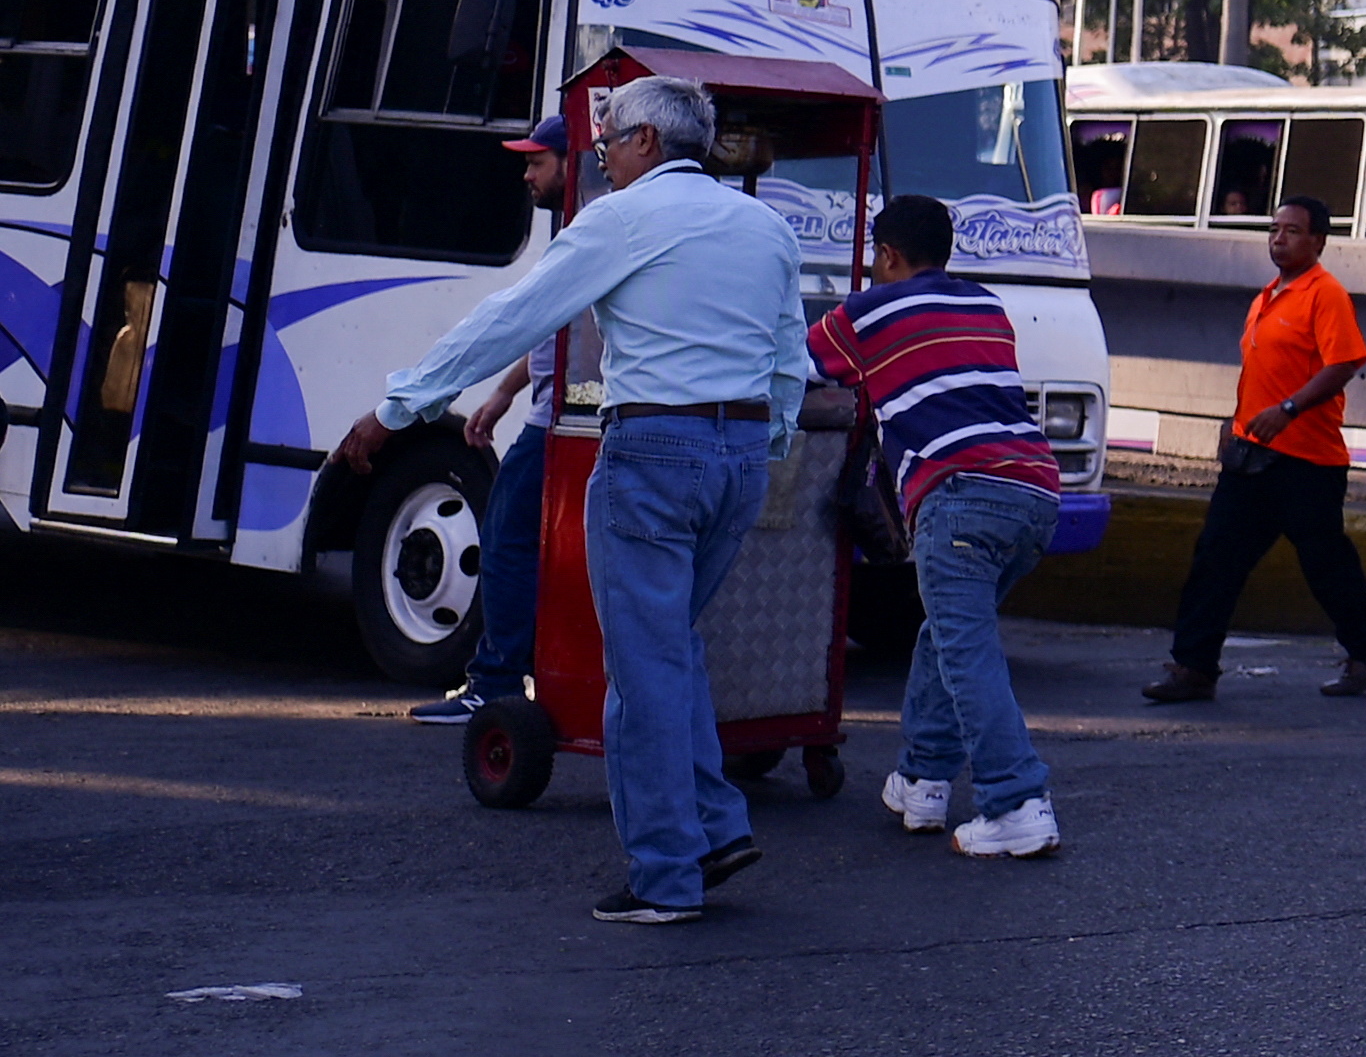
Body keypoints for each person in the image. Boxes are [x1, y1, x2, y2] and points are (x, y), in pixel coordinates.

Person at [342, 76, 809, 926]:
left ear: (644, 143)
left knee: (641, 665)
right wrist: (763, 446)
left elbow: (510, 319)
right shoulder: (766, 228)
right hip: (740, 456)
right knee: (670, 649)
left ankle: (668, 873)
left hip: (653, 451)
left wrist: (394, 409)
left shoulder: (623, 220)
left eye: (605, 146)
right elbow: (788, 362)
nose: (600, 161)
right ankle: (712, 826)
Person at [810, 193, 1063, 858]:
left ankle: (1016, 802)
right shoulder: (984, 304)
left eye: (874, 256)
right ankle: (922, 779)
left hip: (959, 494)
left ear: (887, 255)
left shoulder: (866, 312)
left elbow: (795, 366)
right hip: (1034, 492)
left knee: (966, 647)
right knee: (950, 633)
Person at [1143, 195, 1366, 702]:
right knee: (1216, 557)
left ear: (1319, 241)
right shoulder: (1267, 297)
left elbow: (1342, 363)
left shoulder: (1326, 295)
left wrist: (1289, 409)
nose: (1280, 237)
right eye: (1275, 228)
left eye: (1294, 230)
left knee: (1326, 565)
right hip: (1252, 455)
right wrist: (1235, 426)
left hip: (1306, 459)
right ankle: (1193, 667)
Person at [405, 116, 600, 726]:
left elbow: (541, 323)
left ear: (571, 164)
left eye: (536, 162)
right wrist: (503, 394)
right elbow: (550, 330)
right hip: (559, 411)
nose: (526, 174)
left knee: (508, 546)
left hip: (565, 419)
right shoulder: (586, 227)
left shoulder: (591, 229)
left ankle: (495, 682)